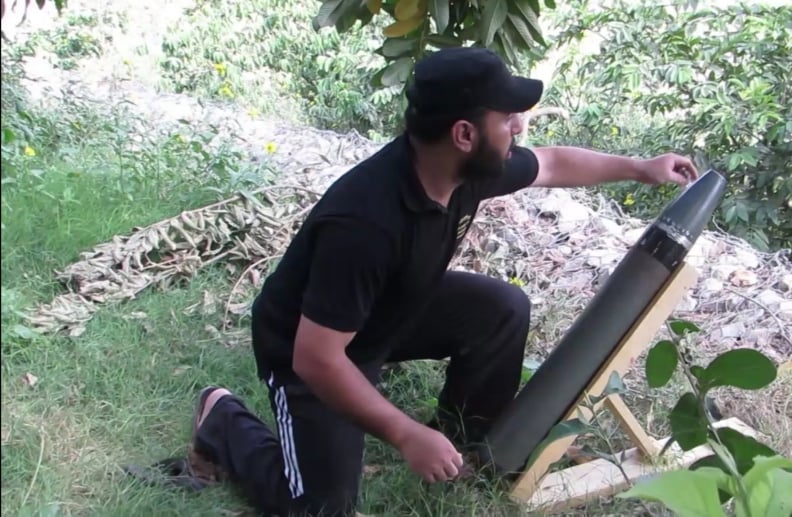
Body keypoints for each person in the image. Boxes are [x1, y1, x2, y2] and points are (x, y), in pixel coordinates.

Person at [187, 46, 699, 516]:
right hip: (310, 349)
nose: (517, 127)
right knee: (321, 509)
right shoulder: (365, 224)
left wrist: (640, 168)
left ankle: (462, 448)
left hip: (387, 312)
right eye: (506, 118)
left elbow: (551, 162)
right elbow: (316, 358)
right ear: (464, 134)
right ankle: (222, 418)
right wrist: (404, 433)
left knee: (500, 309)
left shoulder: (465, 167)